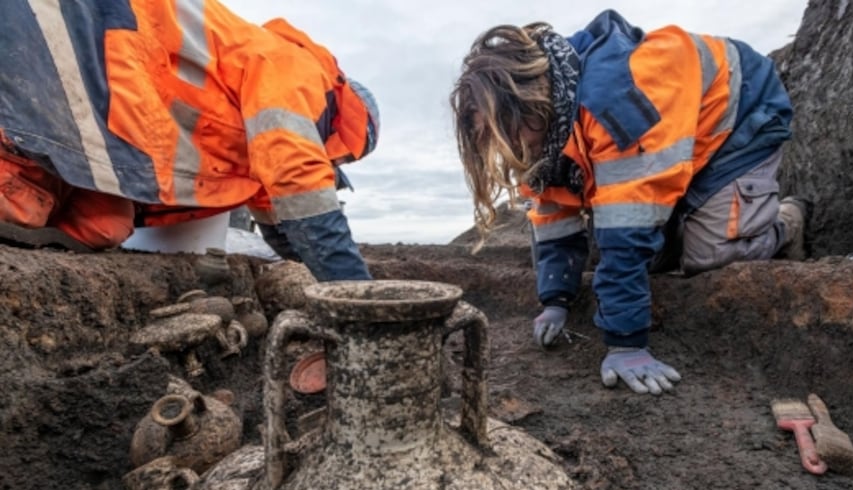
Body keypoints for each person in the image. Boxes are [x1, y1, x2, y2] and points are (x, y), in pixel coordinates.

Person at [450, 10, 805, 396]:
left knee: (708, 255)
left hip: (738, 122)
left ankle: (789, 219)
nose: (509, 146)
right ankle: (697, 217)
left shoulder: (616, 103)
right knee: (636, 257)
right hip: (670, 144)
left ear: (528, 99)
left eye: (505, 129)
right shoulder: (545, 133)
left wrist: (626, 343)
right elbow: (555, 218)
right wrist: (555, 299)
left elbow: (628, 229)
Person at [0, 0, 378, 281]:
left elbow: (282, 218)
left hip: (120, 128)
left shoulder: (267, 143)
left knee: (105, 226)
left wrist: (306, 273)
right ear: (348, 125)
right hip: (104, 44)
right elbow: (298, 176)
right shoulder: (296, 69)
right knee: (19, 194)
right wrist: (354, 290)